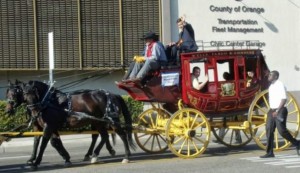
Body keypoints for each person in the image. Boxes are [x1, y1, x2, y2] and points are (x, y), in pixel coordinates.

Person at [260, 70, 300, 158]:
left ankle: (297, 143)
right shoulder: (271, 86)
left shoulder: (280, 84)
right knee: (269, 130)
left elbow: (284, 99)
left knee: (282, 131)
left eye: (270, 75)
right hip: (272, 110)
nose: (269, 76)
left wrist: (277, 111)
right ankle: (270, 152)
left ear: (276, 77)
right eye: (269, 75)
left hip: (280, 110)